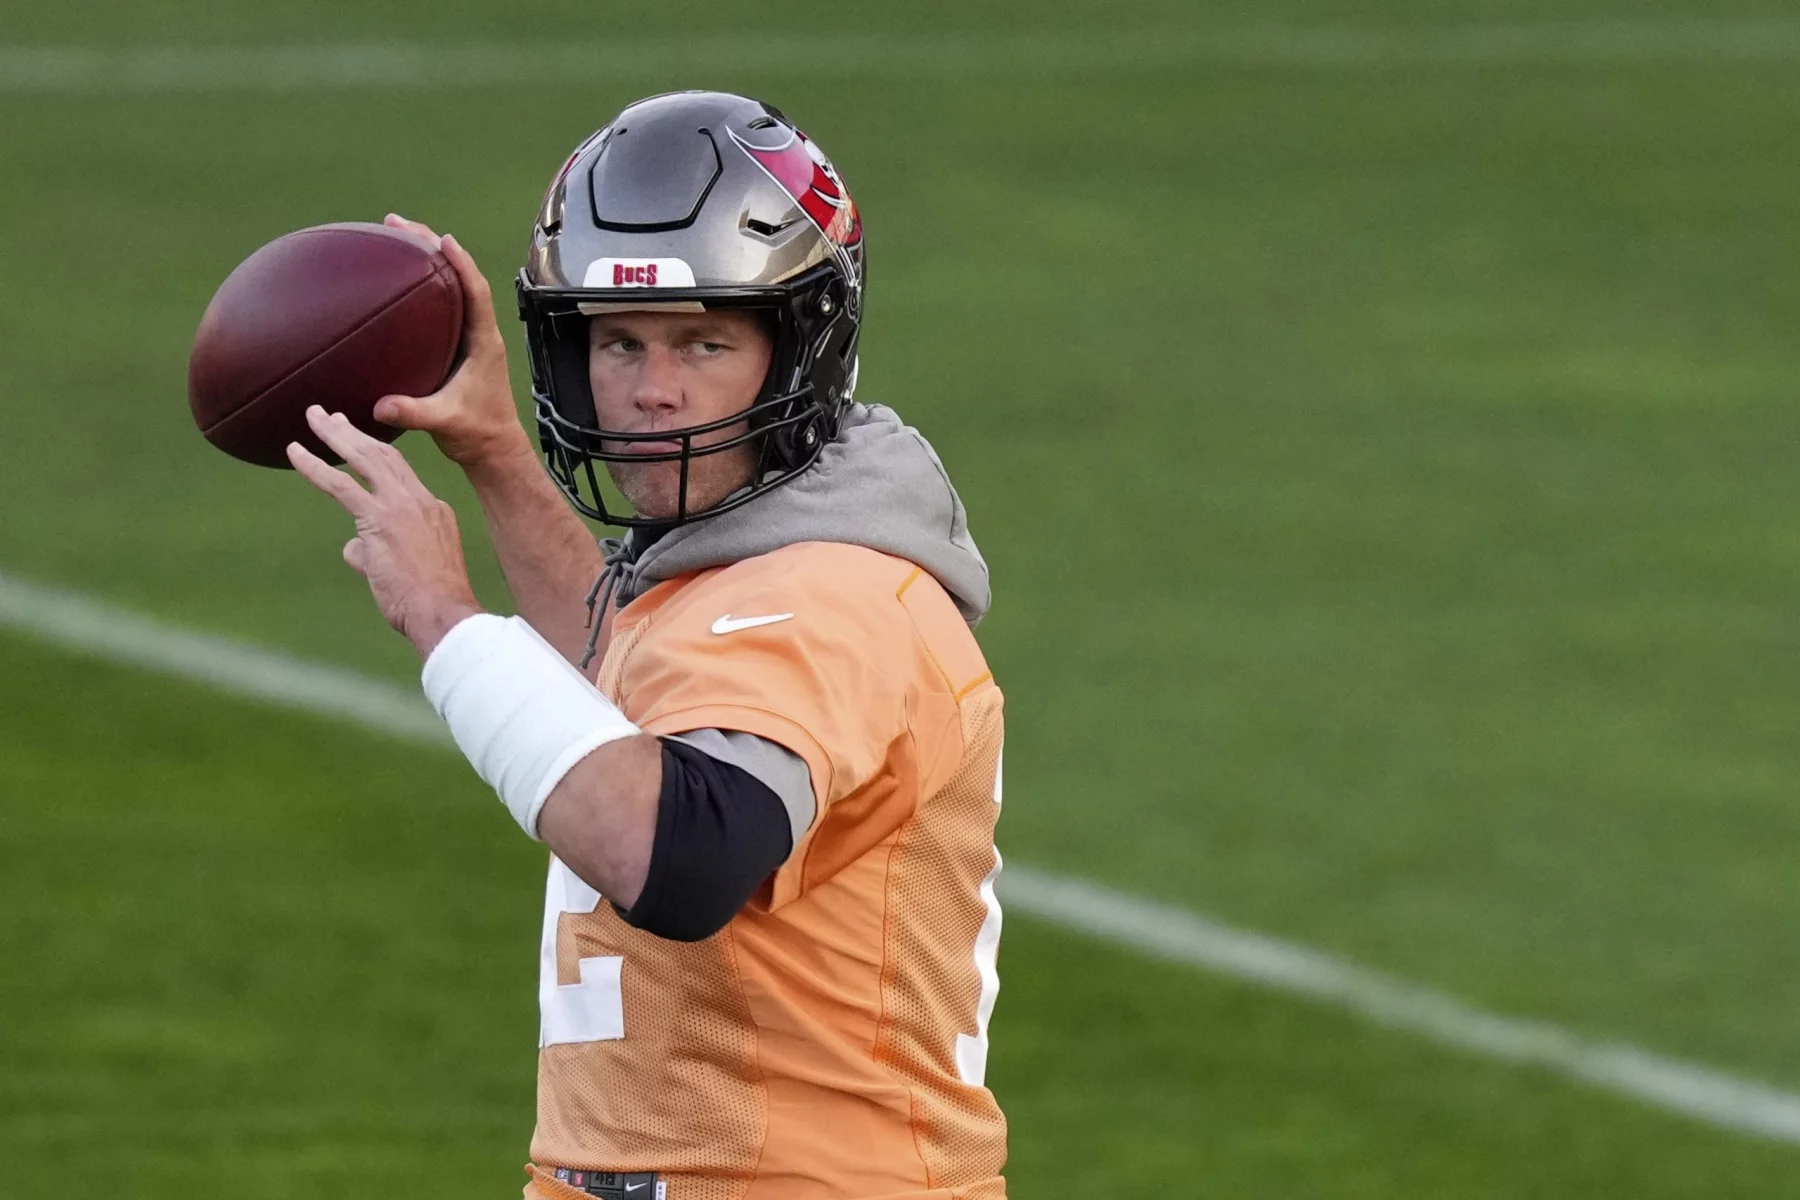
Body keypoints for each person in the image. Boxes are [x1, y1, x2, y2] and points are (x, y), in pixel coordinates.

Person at [287, 91, 1008, 1199]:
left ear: (798, 351)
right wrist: (490, 453)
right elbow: (617, 675)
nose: (652, 392)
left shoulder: (836, 593)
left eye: (704, 343)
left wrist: (447, 622)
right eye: (617, 343)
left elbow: (684, 855)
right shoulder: (730, 569)